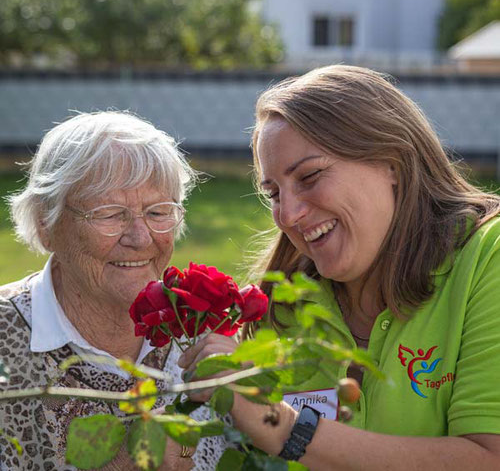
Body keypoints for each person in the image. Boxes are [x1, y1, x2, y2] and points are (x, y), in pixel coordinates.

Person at [178, 65, 500, 470]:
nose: (289, 215)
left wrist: (279, 425)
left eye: (310, 176)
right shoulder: (283, 306)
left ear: (392, 163)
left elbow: (489, 459)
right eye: (274, 193)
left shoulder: (488, 258)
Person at [0, 111, 227, 470]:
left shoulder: (203, 336)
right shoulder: (5, 339)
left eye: (157, 212)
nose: (139, 238)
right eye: (109, 214)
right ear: (47, 225)